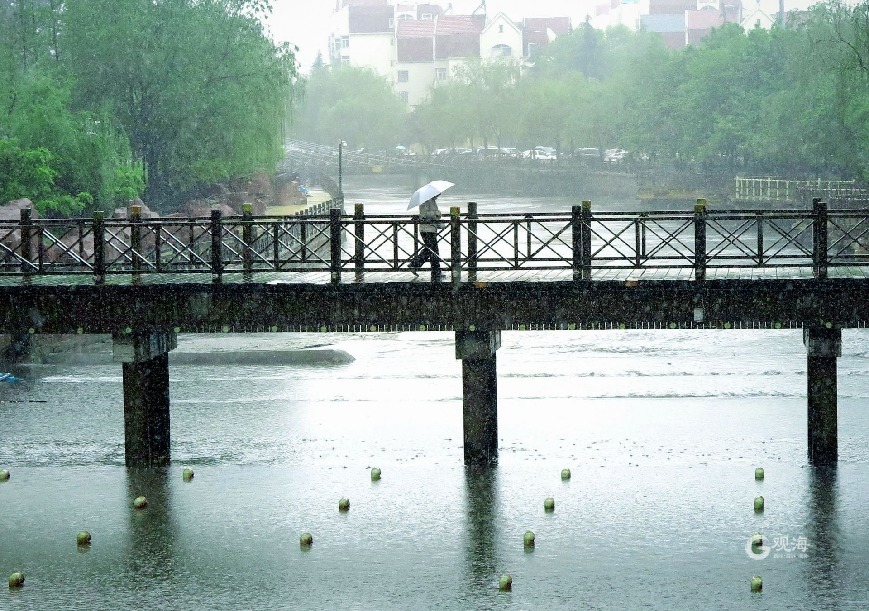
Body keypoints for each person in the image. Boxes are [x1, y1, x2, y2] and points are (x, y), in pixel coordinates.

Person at [409, 194, 442, 280]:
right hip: (426, 229)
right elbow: (424, 214)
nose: (439, 194)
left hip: (431, 228)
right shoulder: (425, 200)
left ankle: (436, 272)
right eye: (438, 193)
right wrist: (437, 213)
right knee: (432, 250)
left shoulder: (432, 200)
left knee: (432, 251)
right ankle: (415, 265)